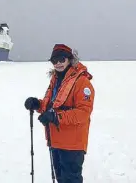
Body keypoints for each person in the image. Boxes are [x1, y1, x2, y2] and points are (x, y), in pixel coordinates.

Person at [24, 44, 95, 183]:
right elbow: (50, 105)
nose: (58, 63)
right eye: (54, 60)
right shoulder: (56, 80)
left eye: (61, 59)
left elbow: (83, 112)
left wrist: (56, 117)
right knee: (61, 179)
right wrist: (37, 104)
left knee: (70, 179)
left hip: (72, 144)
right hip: (55, 140)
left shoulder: (82, 82)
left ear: (70, 59)